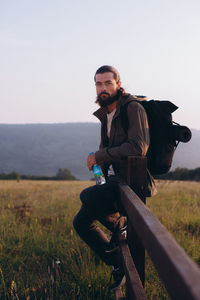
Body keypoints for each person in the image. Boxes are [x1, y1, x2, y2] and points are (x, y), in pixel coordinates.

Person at [73, 65, 150, 290]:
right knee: (80, 222)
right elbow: (106, 149)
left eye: (108, 83)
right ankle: (117, 262)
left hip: (132, 182)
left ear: (118, 83)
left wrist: (100, 155)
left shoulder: (133, 108)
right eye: (99, 84)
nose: (103, 88)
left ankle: (120, 225)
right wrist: (97, 161)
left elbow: (139, 147)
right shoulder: (106, 113)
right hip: (114, 180)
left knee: (86, 195)